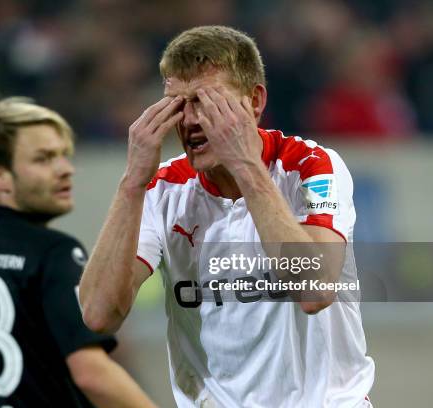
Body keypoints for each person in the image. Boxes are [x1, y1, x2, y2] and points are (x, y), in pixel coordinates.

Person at [79, 26, 375, 407]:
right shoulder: (162, 189)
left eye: (208, 101)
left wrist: (246, 167)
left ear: (254, 101)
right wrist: (131, 185)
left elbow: (314, 289)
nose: (189, 120)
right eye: (177, 104)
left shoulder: (310, 166)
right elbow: (98, 316)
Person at [0, 97, 156, 408]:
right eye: (44, 159)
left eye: (65, 155)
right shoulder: (54, 252)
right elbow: (92, 374)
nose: (66, 169)